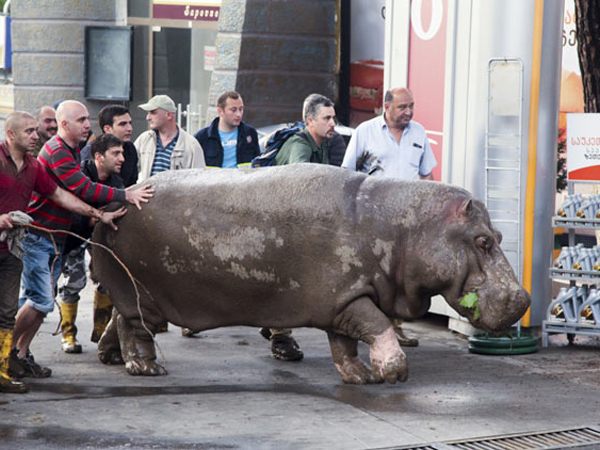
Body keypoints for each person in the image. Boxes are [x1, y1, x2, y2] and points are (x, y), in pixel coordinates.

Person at [11, 101, 154, 379]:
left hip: (55, 238)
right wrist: (126, 196)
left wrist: (98, 214)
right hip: (40, 236)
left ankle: (20, 354)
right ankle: (5, 351)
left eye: (87, 119)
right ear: (64, 125)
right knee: (40, 300)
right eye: (81, 120)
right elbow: (81, 187)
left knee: (40, 301)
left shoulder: (74, 149)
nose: (87, 124)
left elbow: (71, 194)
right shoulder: (57, 151)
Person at [342, 87, 437, 347]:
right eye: (402, 107)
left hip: (408, 220)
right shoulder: (365, 132)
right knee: (373, 275)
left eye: (411, 106)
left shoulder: (418, 132)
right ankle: (371, 327)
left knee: (400, 276)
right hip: (373, 218)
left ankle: (395, 327)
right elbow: (347, 174)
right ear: (386, 107)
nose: (408, 112)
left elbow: (427, 175)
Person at [261, 93, 337, 362]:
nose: (333, 123)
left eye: (333, 117)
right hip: (281, 225)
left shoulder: (323, 143)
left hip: (297, 224)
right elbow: (301, 179)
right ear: (310, 120)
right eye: (327, 118)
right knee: (286, 281)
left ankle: (271, 323)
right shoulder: (299, 145)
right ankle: (280, 336)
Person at [57, 134, 128, 354]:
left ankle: (101, 332)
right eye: (116, 153)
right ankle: (68, 335)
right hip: (73, 237)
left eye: (122, 153)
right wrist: (90, 218)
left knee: (106, 281)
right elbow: (70, 205)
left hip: (101, 239)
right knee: (72, 283)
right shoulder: (79, 173)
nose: (122, 158)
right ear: (98, 156)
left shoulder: (117, 182)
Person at [134, 94, 206, 182]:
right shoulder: (144, 139)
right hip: (148, 195)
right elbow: (128, 169)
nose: (148, 117)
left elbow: (199, 181)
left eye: (153, 112)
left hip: (176, 195)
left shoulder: (191, 145)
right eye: (148, 113)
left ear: (168, 115)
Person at [194, 91, 260, 169]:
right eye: (233, 110)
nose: (238, 114)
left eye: (241, 109)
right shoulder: (202, 138)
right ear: (220, 111)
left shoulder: (250, 134)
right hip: (215, 181)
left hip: (243, 180)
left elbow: (258, 166)